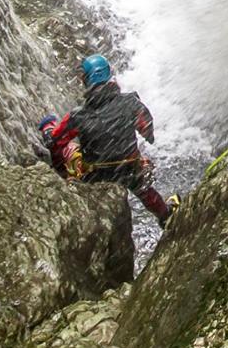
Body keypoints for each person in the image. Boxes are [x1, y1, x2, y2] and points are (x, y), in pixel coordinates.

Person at [40, 55, 175, 224]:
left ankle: (47, 128)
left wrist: (61, 170)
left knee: (64, 143)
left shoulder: (78, 116)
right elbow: (148, 130)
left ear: (88, 81)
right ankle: (165, 216)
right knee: (145, 190)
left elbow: (55, 143)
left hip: (95, 174)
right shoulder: (131, 103)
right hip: (128, 168)